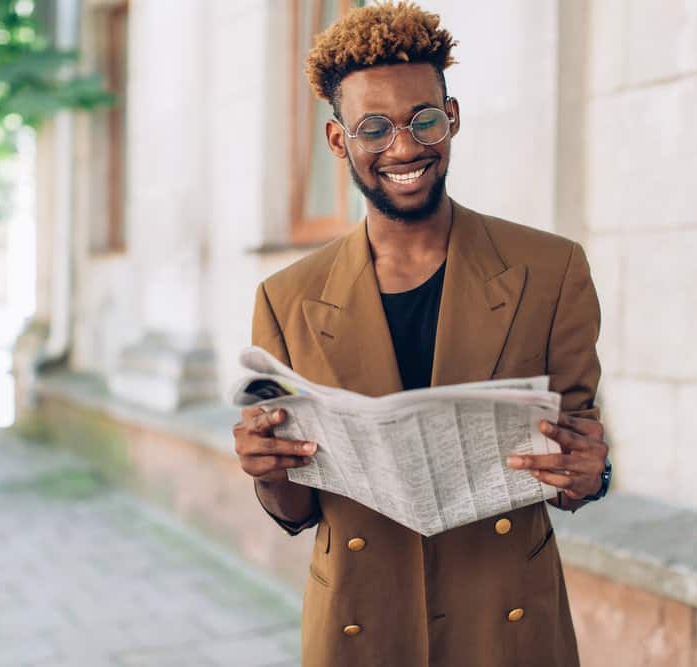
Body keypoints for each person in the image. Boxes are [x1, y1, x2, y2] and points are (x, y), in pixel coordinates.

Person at [232, 3, 610, 665]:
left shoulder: (551, 270)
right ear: (338, 140)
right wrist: (267, 474)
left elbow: (578, 453)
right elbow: (298, 505)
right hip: (362, 619)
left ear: (452, 117)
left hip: (507, 621)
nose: (405, 147)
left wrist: (591, 472)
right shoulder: (286, 299)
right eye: (373, 127)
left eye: (423, 119)